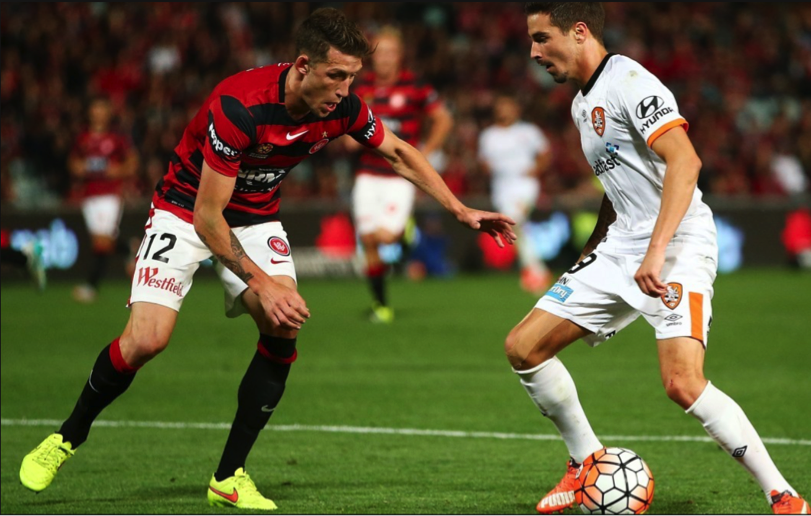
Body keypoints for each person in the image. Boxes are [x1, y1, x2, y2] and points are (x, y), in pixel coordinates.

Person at [19, 8, 515, 511]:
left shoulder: (339, 108)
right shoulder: (239, 107)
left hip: (256, 218)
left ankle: (228, 476)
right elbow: (209, 219)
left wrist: (459, 208)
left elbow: (398, 152)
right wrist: (264, 282)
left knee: (283, 325)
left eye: (352, 78)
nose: (345, 90)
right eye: (336, 76)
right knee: (148, 339)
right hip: (185, 209)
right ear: (303, 65)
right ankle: (66, 437)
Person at [509, 4, 810, 515]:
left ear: (579, 32)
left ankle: (783, 496)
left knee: (682, 383)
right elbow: (618, 189)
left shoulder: (629, 79)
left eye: (542, 39)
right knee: (524, 347)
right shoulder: (583, 104)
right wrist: (590, 257)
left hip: (678, 242)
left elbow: (685, 160)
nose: (534, 52)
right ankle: (585, 462)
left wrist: (655, 252)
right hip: (623, 243)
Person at [344, 26, 454, 323]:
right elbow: (345, 136)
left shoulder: (414, 85)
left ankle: (404, 235)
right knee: (368, 240)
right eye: (380, 53)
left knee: (388, 236)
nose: (385, 59)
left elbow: (443, 118)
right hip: (367, 175)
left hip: (399, 176)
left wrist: (426, 152)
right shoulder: (360, 88)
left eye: (391, 52)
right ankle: (381, 306)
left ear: (400, 55)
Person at [478, 92, 552, 295]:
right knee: (516, 228)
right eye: (501, 106)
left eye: (508, 106)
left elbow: (545, 153)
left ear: (516, 109)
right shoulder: (489, 135)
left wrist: (536, 169)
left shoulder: (528, 131)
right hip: (502, 187)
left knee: (515, 223)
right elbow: (483, 163)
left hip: (524, 184)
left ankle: (536, 272)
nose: (504, 110)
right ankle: (534, 269)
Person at [68, 97, 139, 303]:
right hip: (89, 194)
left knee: (101, 243)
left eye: (102, 109)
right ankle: (130, 248)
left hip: (109, 194)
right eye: (95, 109)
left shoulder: (117, 139)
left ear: (108, 113)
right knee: (100, 242)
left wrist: (119, 171)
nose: (98, 113)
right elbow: (73, 162)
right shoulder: (82, 138)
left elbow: (132, 163)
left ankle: (91, 286)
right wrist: (78, 168)